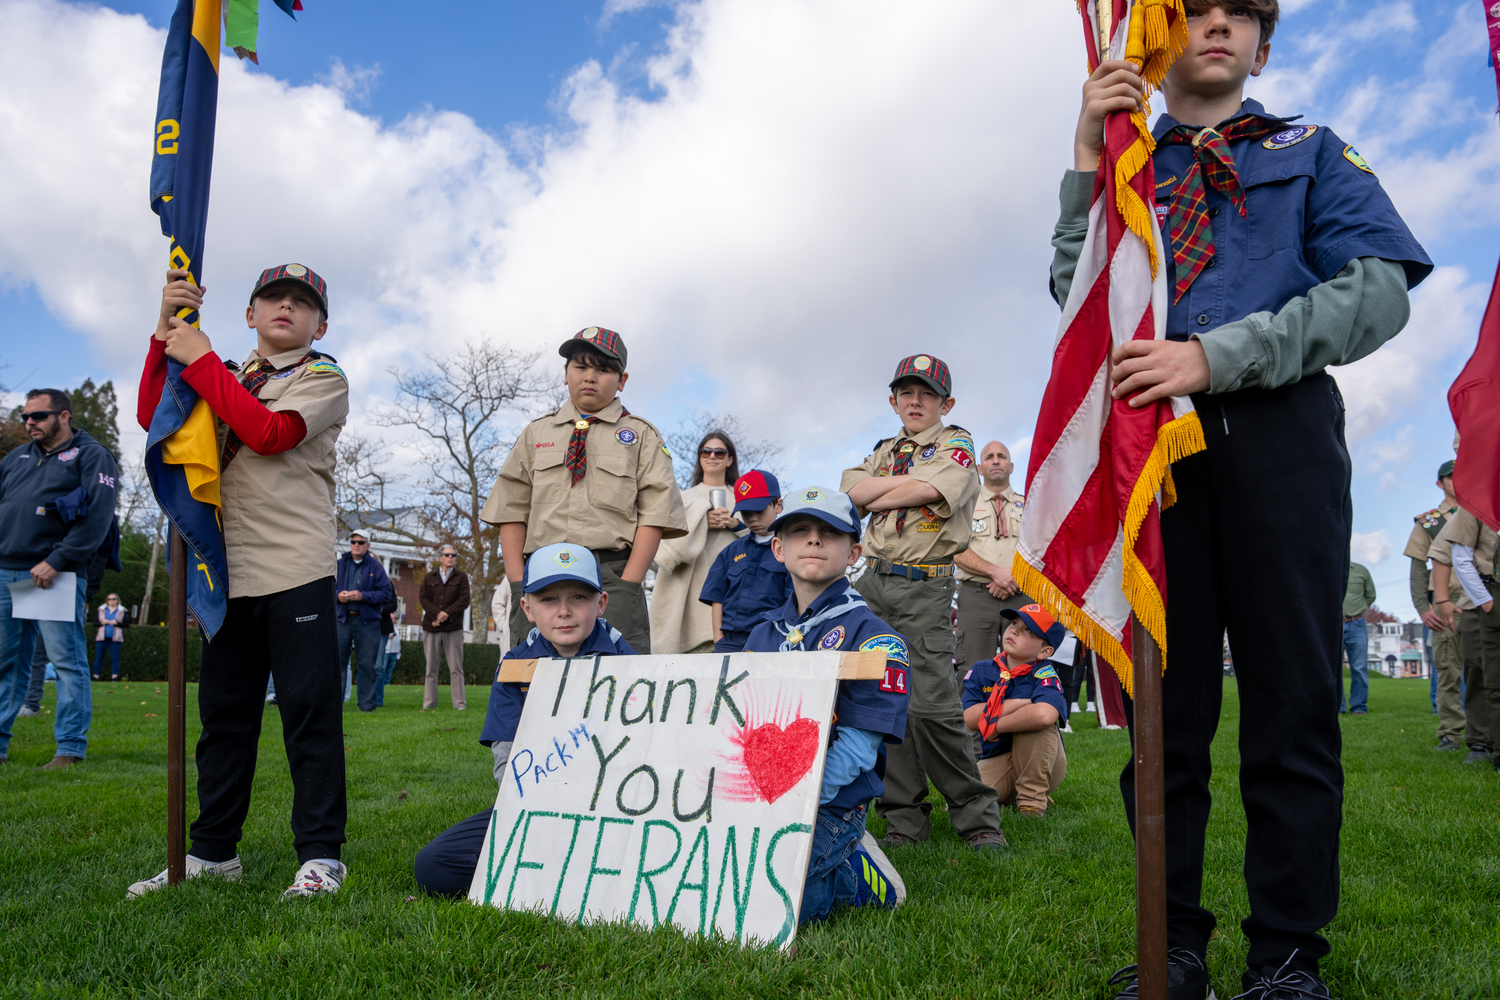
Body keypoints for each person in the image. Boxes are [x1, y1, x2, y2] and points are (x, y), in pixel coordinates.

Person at [1060, 2, 1432, 994]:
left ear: (1263, 46)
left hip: (1281, 441)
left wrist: (1216, 357)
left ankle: (1285, 958)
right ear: (1161, 38)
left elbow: (1380, 285)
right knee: (1163, 719)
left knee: (1292, 707)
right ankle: (1171, 944)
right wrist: (1090, 153)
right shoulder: (1135, 161)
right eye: (1196, 8)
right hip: (1156, 456)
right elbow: (1077, 295)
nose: (1218, 22)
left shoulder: (1311, 151)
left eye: (1243, 12)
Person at [128, 263, 351, 899]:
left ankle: (320, 856)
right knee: (223, 716)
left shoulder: (324, 377)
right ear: (250, 313)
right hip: (225, 571)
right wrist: (166, 329)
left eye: (302, 302)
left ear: (321, 323)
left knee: (309, 714)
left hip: (294, 566)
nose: (287, 307)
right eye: (272, 298)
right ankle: (212, 852)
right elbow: (157, 417)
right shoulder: (216, 371)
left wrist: (200, 362)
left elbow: (271, 432)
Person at [841, 355, 1005, 851]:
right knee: (880, 700)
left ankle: (977, 818)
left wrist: (883, 491)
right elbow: (852, 489)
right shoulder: (883, 449)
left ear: (945, 403)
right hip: (873, 584)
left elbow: (938, 487)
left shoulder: (957, 445)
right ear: (893, 401)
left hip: (924, 587)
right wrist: (905, 487)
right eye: (906, 393)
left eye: (927, 394)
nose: (915, 401)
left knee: (933, 707)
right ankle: (904, 819)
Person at [413, 543, 636, 896]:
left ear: (602, 603)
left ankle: (579, 867)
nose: (564, 611)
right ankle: (570, 865)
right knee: (435, 866)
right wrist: (547, 816)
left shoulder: (633, 664)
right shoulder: (514, 667)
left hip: (615, 807)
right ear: (527, 608)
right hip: (537, 804)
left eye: (578, 597)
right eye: (548, 600)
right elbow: (506, 759)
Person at [742, 487, 909, 920]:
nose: (814, 540)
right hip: (761, 794)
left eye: (829, 532)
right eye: (800, 531)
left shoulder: (876, 637)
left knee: (776, 905)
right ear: (778, 548)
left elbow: (858, 747)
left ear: (854, 551)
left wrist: (797, 798)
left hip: (829, 802)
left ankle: (853, 872)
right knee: (725, 873)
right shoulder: (761, 636)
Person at [484, 327, 688, 654]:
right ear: (566, 375)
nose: (590, 377)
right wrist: (518, 580)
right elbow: (510, 509)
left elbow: (655, 515)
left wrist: (628, 584)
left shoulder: (640, 436)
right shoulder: (536, 434)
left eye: (603, 369)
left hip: (611, 574)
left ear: (622, 380)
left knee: (619, 683)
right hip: (541, 575)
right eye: (580, 367)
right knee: (533, 679)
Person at [0, 388, 118, 770]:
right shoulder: (15, 458)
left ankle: (69, 748)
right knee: (6, 662)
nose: (30, 423)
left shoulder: (92, 455)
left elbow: (97, 520)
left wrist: (58, 560)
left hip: (51, 574)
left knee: (65, 662)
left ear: (64, 416)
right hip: (6, 571)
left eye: (39, 416)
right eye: (26, 416)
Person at [961, 605, 1069, 817]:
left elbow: (1043, 715)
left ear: (1044, 651)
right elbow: (968, 718)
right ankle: (1007, 796)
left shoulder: (1044, 672)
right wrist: (1019, 703)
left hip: (1044, 762)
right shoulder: (982, 669)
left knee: (1036, 725)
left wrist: (995, 726)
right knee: (964, 800)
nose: (1015, 631)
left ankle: (1032, 801)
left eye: (1029, 630)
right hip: (998, 757)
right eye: (1014, 623)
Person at [650, 431, 745, 653]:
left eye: (720, 452)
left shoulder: (742, 498)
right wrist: (700, 522)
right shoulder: (682, 498)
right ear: (699, 457)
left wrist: (735, 524)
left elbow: (764, 536)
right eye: (706, 451)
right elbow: (663, 549)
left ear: (730, 459)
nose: (712, 456)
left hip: (736, 589)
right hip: (693, 590)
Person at [1430, 505, 1500, 769]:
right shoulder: (1478, 503)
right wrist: (1442, 599)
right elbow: (1441, 553)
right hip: (1481, 601)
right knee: (1479, 672)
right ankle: (1481, 741)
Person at [953, 440, 1031, 670]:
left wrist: (1013, 577)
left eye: (1001, 456)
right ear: (979, 468)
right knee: (972, 671)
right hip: (976, 596)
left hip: (1022, 594)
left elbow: (1041, 550)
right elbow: (955, 550)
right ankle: (974, 708)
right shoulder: (963, 507)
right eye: (989, 457)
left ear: (1012, 465)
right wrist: (996, 573)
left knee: (1026, 667)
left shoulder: (1030, 505)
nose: (995, 460)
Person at [1404, 460, 1464, 750]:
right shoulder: (1428, 522)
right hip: (1445, 604)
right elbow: (1418, 569)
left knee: (1488, 673)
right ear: (1440, 483)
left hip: (1483, 602)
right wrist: (1423, 608)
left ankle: (1486, 736)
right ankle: (1451, 734)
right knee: (1448, 673)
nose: (1458, 481)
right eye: (1451, 477)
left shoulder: (1484, 512)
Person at [699, 470, 791, 652]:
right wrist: (719, 640)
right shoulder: (730, 551)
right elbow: (717, 597)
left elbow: (795, 600)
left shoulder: (790, 551)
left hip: (772, 641)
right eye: (746, 513)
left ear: (778, 505)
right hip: (730, 643)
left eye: (759, 510)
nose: (752, 518)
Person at [336, 531, 394, 712]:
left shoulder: (376, 567)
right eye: (353, 542)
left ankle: (367, 705)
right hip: (343, 620)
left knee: (367, 664)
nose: (356, 545)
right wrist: (338, 595)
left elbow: (386, 593)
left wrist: (362, 596)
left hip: (367, 622)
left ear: (368, 545)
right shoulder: (339, 565)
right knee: (337, 663)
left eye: (360, 542)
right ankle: (334, 706)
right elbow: (327, 589)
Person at [419, 545, 470, 711]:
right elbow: (423, 598)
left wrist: (446, 614)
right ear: (440, 557)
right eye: (447, 555)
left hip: (453, 628)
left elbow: (464, 600)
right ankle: (429, 704)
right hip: (431, 628)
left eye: (453, 555)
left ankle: (459, 704)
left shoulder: (461, 577)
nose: (451, 557)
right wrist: (437, 615)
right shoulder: (429, 577)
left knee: (456, 668)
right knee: (430, 669)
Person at [1342, 562, 1376, 714]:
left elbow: (1371, 595)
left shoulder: (1361, 571)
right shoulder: (1329, 567)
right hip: (1332, 624)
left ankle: (1359, 707)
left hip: (1357, 624)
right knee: (1333, 669)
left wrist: (1358, 611)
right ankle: (1338, 707)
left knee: (1359, 668)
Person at [92, 593, 128, 682]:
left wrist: (116, 623)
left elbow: (126, 624)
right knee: (99, 657)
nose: (111, 601)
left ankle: (114, 677)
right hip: (101, 637)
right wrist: (102, 622)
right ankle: (95, 677)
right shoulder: (101, 610)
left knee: (114, 657)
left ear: (117, 600)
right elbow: (95, 623)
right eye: (109, 599)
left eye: (114, 599)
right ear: (107, 601)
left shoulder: (122, 610)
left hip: (116, 638)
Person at [376, 596, 399, 708]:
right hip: (364, 626)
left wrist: (379, 609)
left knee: (378, 666)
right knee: (364, 665)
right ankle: (363, 699)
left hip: (381, 628)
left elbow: (393, 604)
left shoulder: (386, 583)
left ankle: (378, 700)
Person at [489, 577, 511, 654]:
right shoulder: (510, 578)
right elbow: (497, 603)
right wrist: (504, 627)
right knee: (508, 664)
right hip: (510, 633)